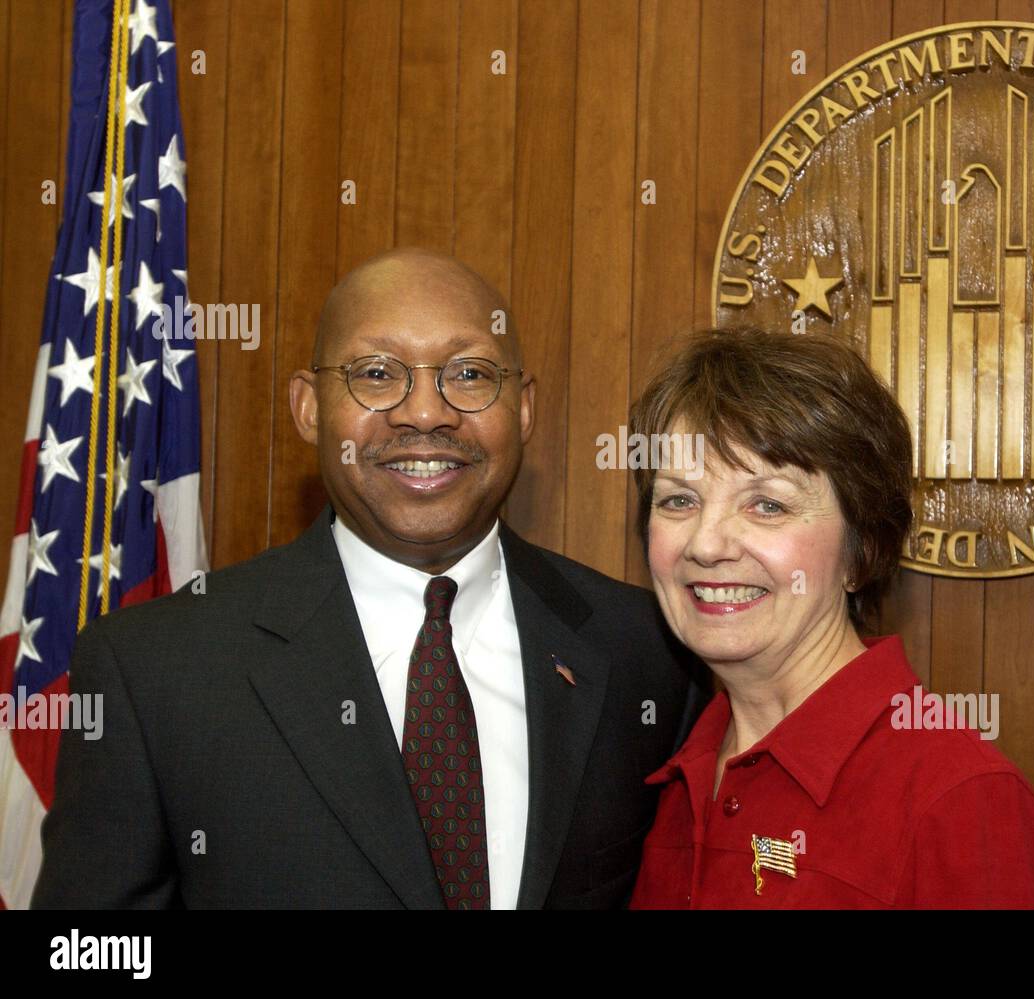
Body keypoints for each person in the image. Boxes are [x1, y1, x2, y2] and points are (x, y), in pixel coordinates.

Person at [32, 249, 708, 909]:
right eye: (377, 373)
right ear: (308, 407)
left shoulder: (650, 652)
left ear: (523, 408)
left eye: (469, 373)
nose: (424, 412)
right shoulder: (154, 667)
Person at [625, 327, 1034, 909]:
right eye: (679, 499)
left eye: (768, 505)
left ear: (861, 550)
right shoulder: (673, 771)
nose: (706, 544)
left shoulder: (958, 796)